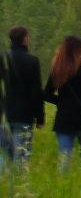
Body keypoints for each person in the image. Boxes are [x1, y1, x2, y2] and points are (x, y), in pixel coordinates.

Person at [44, 35, 81, 165]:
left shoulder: (57, 68)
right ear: (79, 50)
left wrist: (62, 102)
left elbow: (46, 94)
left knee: (64, 157)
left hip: (63, 118)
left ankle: (62, 183)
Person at [2, 25, 44, 166]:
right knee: (20, 155)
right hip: (24, 115)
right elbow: (36, 92)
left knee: (6, 154)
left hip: (4, 113)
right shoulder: (32, 61)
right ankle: (18, 184)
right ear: (24, 39)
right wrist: (40, 117)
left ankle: (5, 181)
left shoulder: (3, 59)